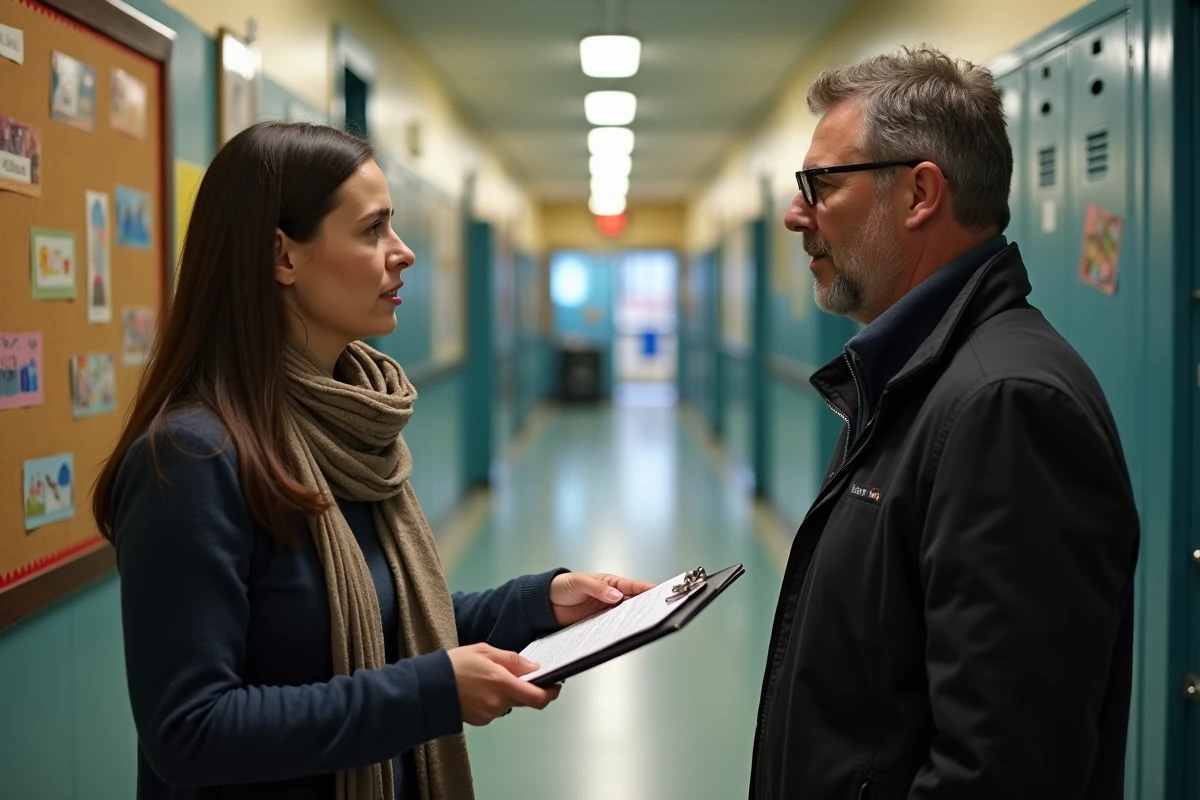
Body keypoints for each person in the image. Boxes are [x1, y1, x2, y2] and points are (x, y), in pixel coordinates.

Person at [92, 121, 654, 800]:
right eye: (373, 229)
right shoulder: (192, 458)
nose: (404, 253)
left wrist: (539, 604)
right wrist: (429, 693)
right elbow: (189, 730)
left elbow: (377, 615)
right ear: (283, 257)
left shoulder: (350, 425)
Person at [751, 46, 1140, 799]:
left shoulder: (1005, 406)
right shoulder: (907, 376)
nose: (795, 214)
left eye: (821, 185)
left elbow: (1002, 770)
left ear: (919, 194)